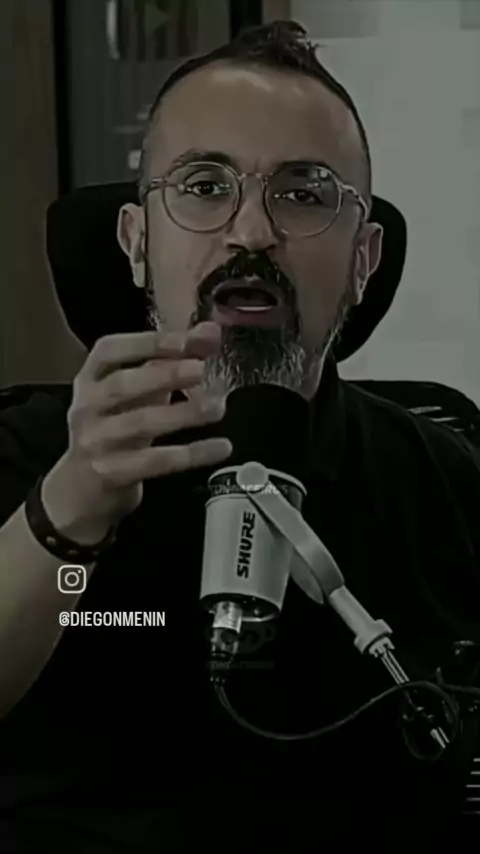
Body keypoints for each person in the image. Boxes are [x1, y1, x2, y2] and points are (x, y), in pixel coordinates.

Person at [0, 19, 479, 852]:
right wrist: (65, 517)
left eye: (303, 194)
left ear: (363, 260)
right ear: (137, 243)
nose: (252, 232)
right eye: (203, 185)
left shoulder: (445, 479)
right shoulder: (22, 453)